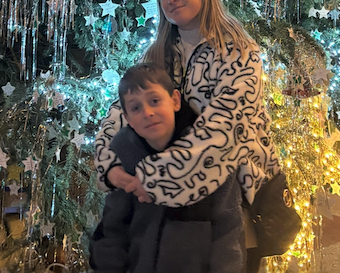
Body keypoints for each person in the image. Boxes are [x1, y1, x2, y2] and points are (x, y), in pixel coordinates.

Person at [94, 0, 280, 272]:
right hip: (169, 209)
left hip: (233, 198)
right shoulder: (157, 54)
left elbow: (225, 127)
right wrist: (109, 164)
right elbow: (123, 109)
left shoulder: (239, 51)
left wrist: (154, 178)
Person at [90, 63, 246, 273]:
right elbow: (113, 229)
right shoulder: (126, 157)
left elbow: (228, 228)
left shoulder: (207, 155)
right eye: (136, 108)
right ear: (127, 118)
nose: (148, 113)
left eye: (155, 101)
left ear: (175, 101)